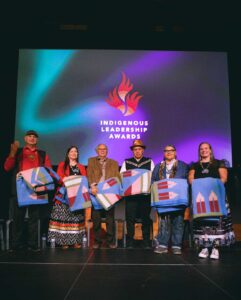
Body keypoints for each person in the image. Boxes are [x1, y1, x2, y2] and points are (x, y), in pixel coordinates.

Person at [4, 130, 52, 251]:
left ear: (37, 140)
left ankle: (32, 244)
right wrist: (12, 153)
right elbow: (7, 167)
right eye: (29, 136)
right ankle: (15, 244)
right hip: (20, 189)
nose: (32, 138)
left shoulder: (42, 154)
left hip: (36, 189)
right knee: (18, 218)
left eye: (34, 137)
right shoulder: (18, 152)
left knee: (34, 218)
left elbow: (48, 170)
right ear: (25, 139)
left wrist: (42, 180)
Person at [188, 142, 235, 260]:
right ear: (199, 151)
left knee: (216, 223)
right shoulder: (194, 166)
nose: (204, 150)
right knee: (202, 222)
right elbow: (191, 180)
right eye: (201, 149)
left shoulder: (219, 163)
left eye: (206, 148)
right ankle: (204, 247)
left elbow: (223, 179)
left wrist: (207, 184)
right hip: (201, 199)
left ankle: (215, 248)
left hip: (216, 197)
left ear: (210, 150)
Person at [48, 146, 88, 249]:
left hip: (77, 197)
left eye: (76, 151)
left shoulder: (82, 167)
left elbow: (84, 180)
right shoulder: (62, 164)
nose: (74, 153)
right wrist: (68, 180)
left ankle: (75, 241)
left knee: (76, 219)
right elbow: (59, 179)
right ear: (68, 154)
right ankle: (63, 242)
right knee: (63, 219)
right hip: (64, 195)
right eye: (72, 151)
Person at [151, 145, 188, 255]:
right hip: (163, 199)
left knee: (178, 222)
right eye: (166, 151)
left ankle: (176, 245)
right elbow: (153, 181)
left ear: (175, 152)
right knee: (164, 222)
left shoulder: (183, 166)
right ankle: (163, 245)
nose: (169, 152)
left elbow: (187, 181)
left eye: (171, 150)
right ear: (163, 153)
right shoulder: (158, 167)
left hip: (178, 198)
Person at [120, 139, 154, 248]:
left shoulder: (149, 162)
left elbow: (152, 177)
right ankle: (130, 241)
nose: (137, 151)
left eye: (139, 149)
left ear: (143, 150)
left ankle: (146, 241)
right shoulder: (127, 162)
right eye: (135, 149)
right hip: (131, 196)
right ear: (132, 151)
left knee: (146, 218)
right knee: (130, 218)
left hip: (145, 196)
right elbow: (122, 177)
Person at [87, 143, 120, 249]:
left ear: (107, 151)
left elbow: (117, 178)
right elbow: (89, 174)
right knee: (96, 218)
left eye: (104, 149)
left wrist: (116, 190)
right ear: (97, 151)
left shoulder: (114, 163)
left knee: (110, 219)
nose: (102, 151)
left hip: (109, 193)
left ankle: (110, 241)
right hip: (96, 192)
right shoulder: (91, 161)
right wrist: (92, 186)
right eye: (100, 149)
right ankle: (97, 241)